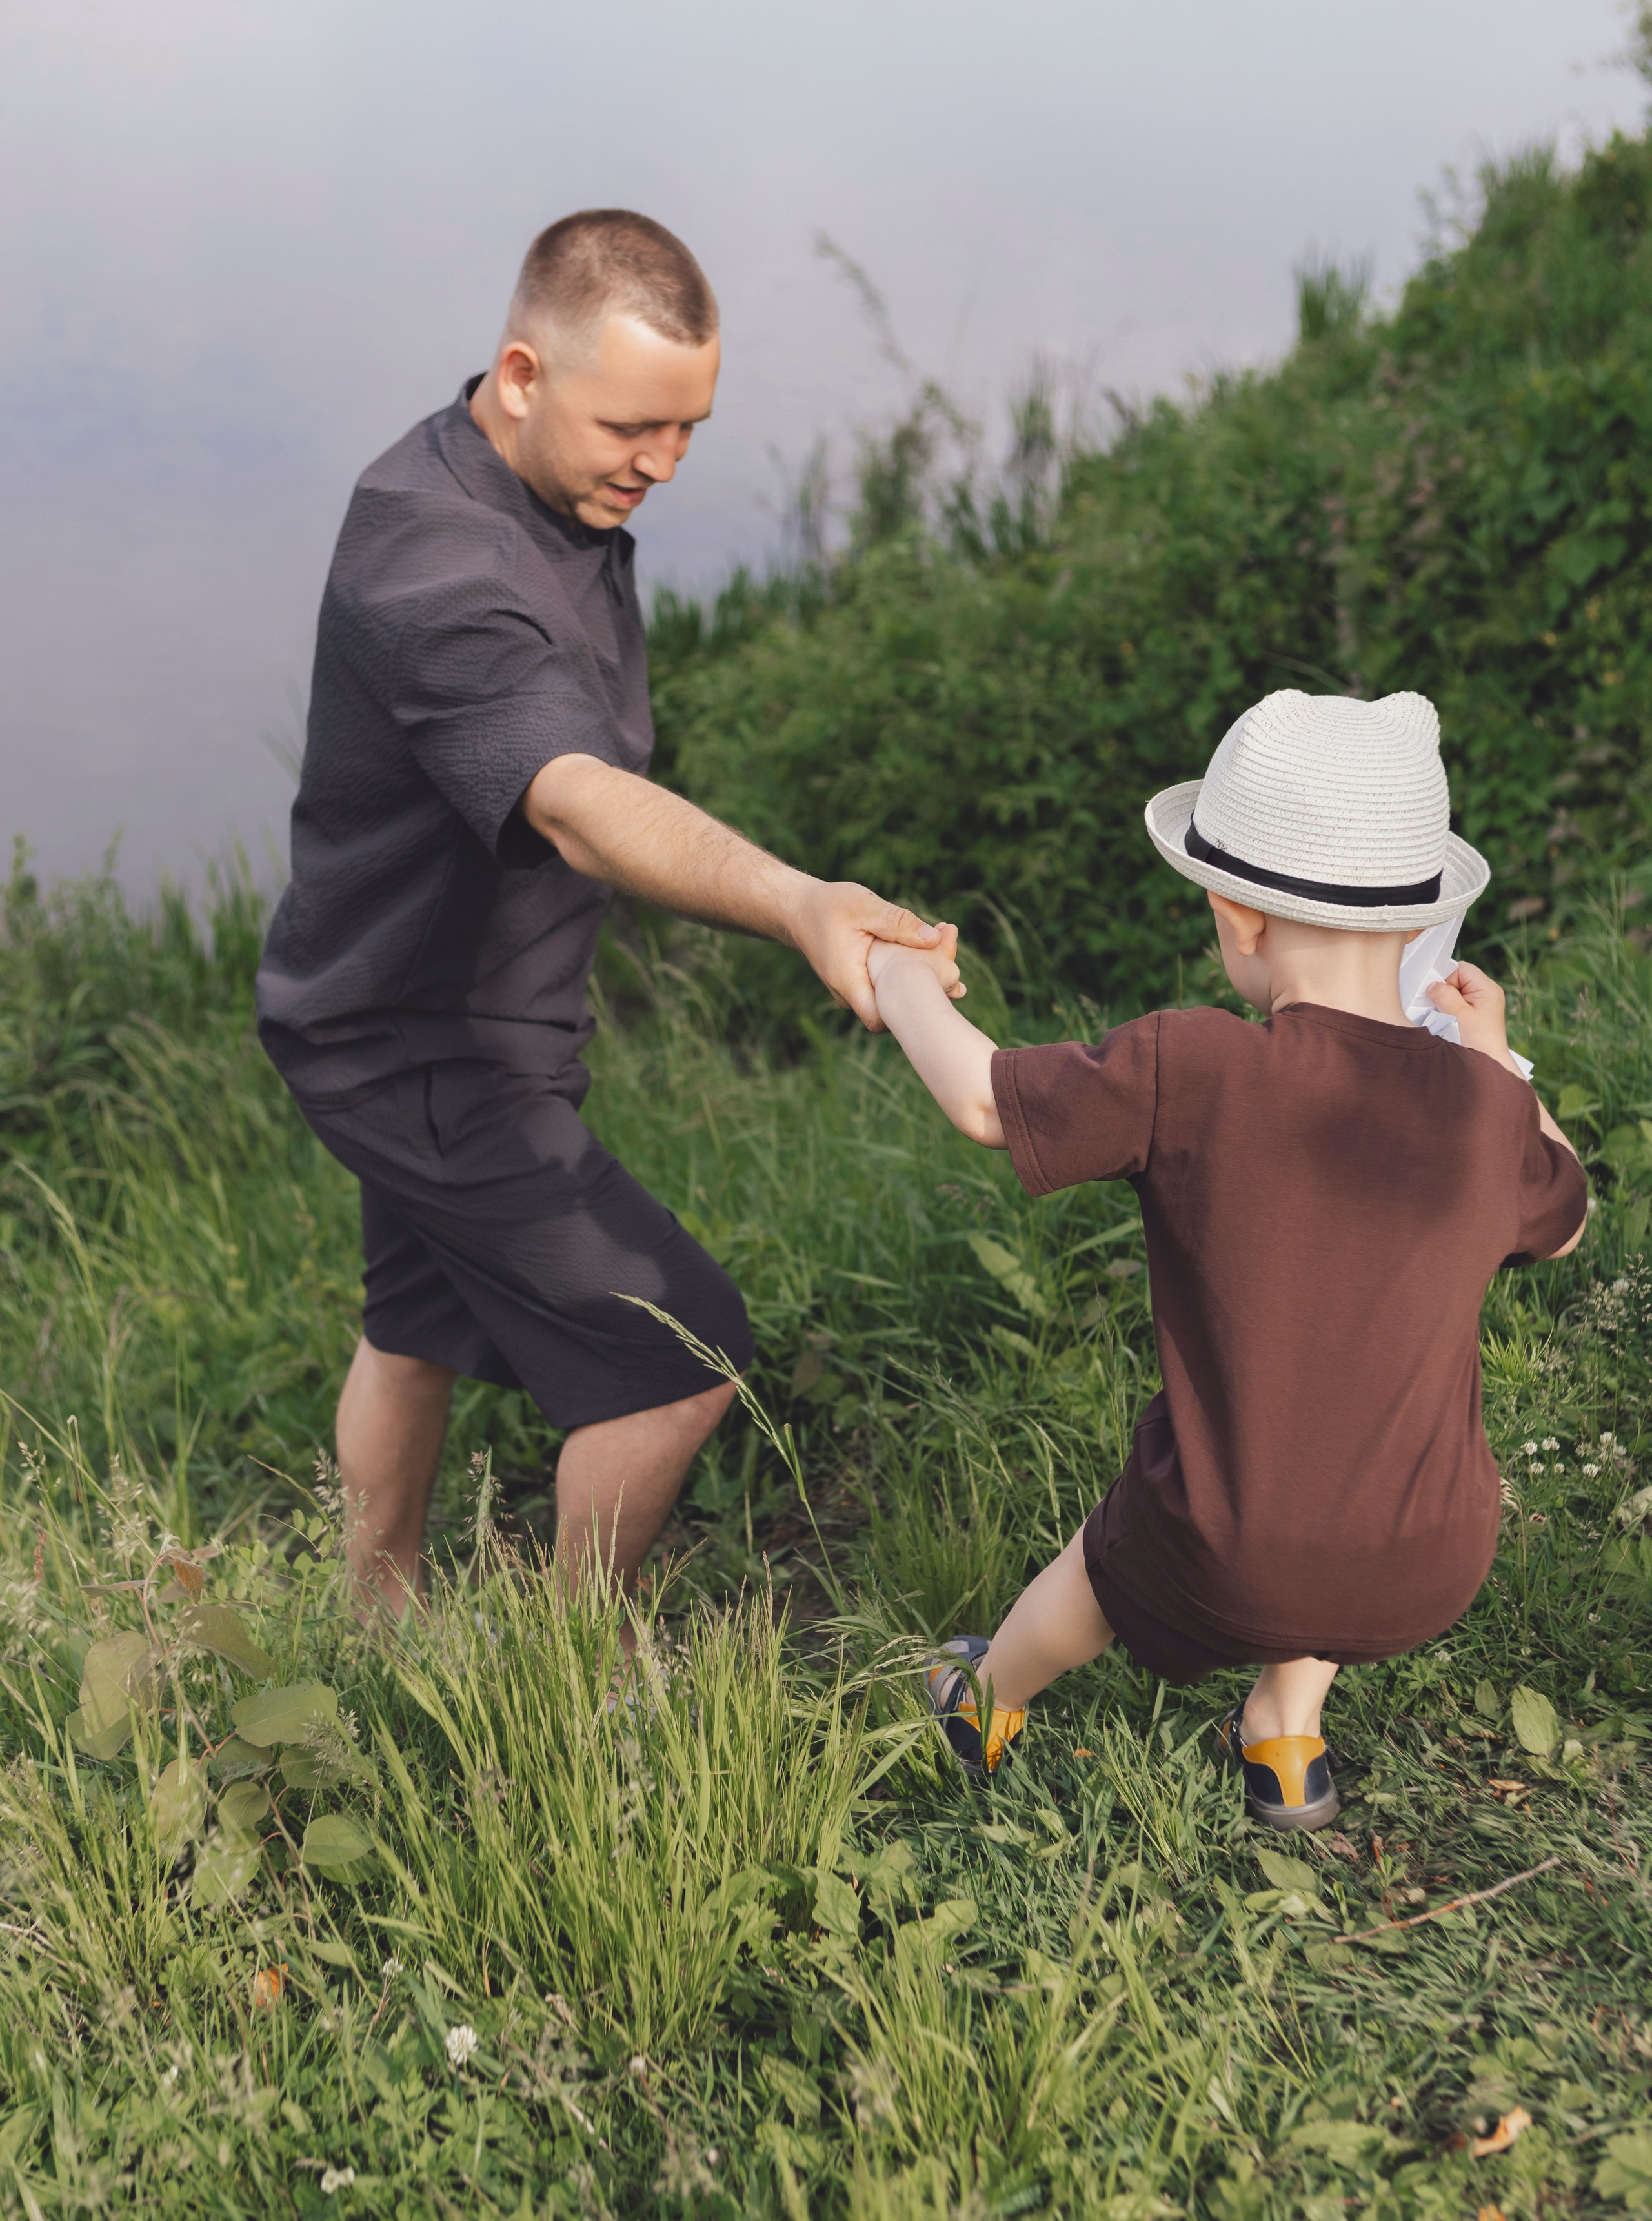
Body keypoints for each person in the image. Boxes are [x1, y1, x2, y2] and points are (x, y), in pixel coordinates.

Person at [256, 208, 958, 1610]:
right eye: (633, 426)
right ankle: (569, 1660)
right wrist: (798, 899)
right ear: (521, 373)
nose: (663, 463)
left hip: (455, 1014)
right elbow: (571, 797)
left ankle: (373, 1610)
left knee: (417, 1316)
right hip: (415, 1044)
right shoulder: (431, 563)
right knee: (675, 1360)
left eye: (690, 429)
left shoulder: (546, 476)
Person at [863, 688, 1587, 1829]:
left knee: (1115, 1553)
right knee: (1347, 1455)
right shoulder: (1483, 1111)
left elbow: (982, 1102)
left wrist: (896, 976)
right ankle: (1285, 1738)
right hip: (1432, 1558)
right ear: (1419, 925)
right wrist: (1504, 1070)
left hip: (1222, 1551)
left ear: (1238, 918)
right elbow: (1573, 1215)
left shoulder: (1195, 1064)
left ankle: (982, 1699)